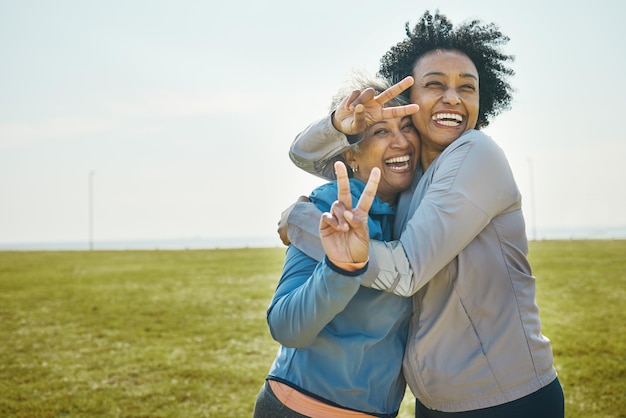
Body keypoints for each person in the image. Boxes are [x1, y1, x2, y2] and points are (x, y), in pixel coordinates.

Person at [278, 10, 565, 418]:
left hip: (505, 399)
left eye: (467, 88)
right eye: (435, 85)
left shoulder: (476, 154)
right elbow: (306, 156)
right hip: (435, 403)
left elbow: (408, 270)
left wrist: (301, 223)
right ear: (408, 103)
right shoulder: (410, 177)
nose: (453, 98)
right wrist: (340, 124)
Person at [254, 74, 421, 417]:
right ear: (352, 157)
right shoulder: (330, 208)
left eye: (407, 127)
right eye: (381, 131)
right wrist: (339, 269)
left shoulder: (417, 207)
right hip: (300, 407)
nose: (402, 142)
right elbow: (286, 326)